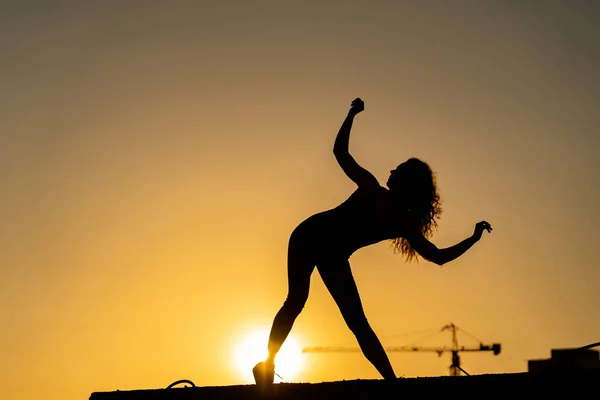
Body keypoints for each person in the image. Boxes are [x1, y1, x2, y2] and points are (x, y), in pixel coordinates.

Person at [252, 98, 492, 385]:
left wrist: (473, 239)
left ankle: (391, 381)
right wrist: (351, 114)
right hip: (309, 234)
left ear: (406, 184)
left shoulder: (401, 221)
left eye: (398, 170)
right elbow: (340, 153)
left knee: (358, 322)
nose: (391, 171)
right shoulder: (372, 189)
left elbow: (438, 256)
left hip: (335, 256)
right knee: (296, 300)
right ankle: (267, 364)